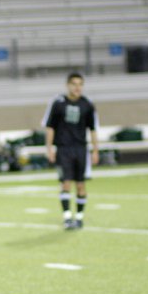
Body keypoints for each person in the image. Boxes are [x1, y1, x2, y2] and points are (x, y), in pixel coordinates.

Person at [42, 72, 99, 230]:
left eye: (80, 84)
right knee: (65, 183)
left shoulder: (87, 104)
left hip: (81, 148)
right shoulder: (58, 103)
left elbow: (93, 129)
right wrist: (49, 148)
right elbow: (50, 127)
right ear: (68, 85)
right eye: (74, 84)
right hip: (63, 148)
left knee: (81, 184)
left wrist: (95, 150)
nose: (77, 87)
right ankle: (67, 217)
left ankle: (79, 217)